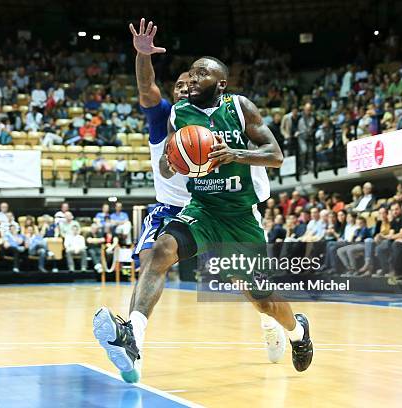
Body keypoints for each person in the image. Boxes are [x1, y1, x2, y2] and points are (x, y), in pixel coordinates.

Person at [93, 44, 311, 383]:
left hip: (240, 217)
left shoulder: (240, 107)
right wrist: (173, 159)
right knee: (161, 250)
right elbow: (166, 169)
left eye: (201, 73)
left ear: (220, 83)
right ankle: (133, 334)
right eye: (191, 73)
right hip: (202, 209)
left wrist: (235, 153)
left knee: (263, 300)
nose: (193, 78)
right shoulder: (179, 114)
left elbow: (275, 155)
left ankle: (297, 331)